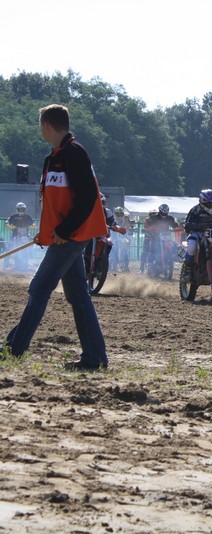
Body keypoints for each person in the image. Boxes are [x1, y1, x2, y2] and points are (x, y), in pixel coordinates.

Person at [3, 104, 109, 371]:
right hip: (64, 235)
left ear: (47, 126)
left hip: (71, 237)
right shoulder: (55, 156)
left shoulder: (73, 153)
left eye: (41, 126)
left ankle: (14, 348)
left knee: (39, 288)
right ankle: (95, 358)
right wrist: (47, 231)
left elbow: (88, 196)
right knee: (78, 296)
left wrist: (64, 230)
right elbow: (56, 202)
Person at [182, 189, 212, 266]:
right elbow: (188, 224)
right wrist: (196, 226)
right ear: (202, 202)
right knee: (192, 247)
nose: (211, 205)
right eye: (209, 203)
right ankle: (188, 267)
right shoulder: (195, 210)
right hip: (198, 233)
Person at [5, 202, 35, 269]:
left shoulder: (28, 217)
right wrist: (8, 224)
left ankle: (26, 264)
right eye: (19, 209)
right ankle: (5, 264)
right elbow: (7, 221)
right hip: (15, 235)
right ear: (17, 209)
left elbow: (33, 223)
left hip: (25, 235)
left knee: (29, 248)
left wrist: (32, 225)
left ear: (25, 209)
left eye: (22, 209)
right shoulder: (13, 216)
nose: (21, 210)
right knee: (9, 248)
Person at [111, 206, 134, 272]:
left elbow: (128, 227)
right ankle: (113, 267)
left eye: (121, 213)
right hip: (115, 237)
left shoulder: (124, 220)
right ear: (116, 214)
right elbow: (111, 228)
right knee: (114, 251)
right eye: (119, 214)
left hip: (123, 237)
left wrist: (130, 229)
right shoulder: (113, 220)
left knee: (126, 251)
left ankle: (126, 266)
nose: (120, 215)